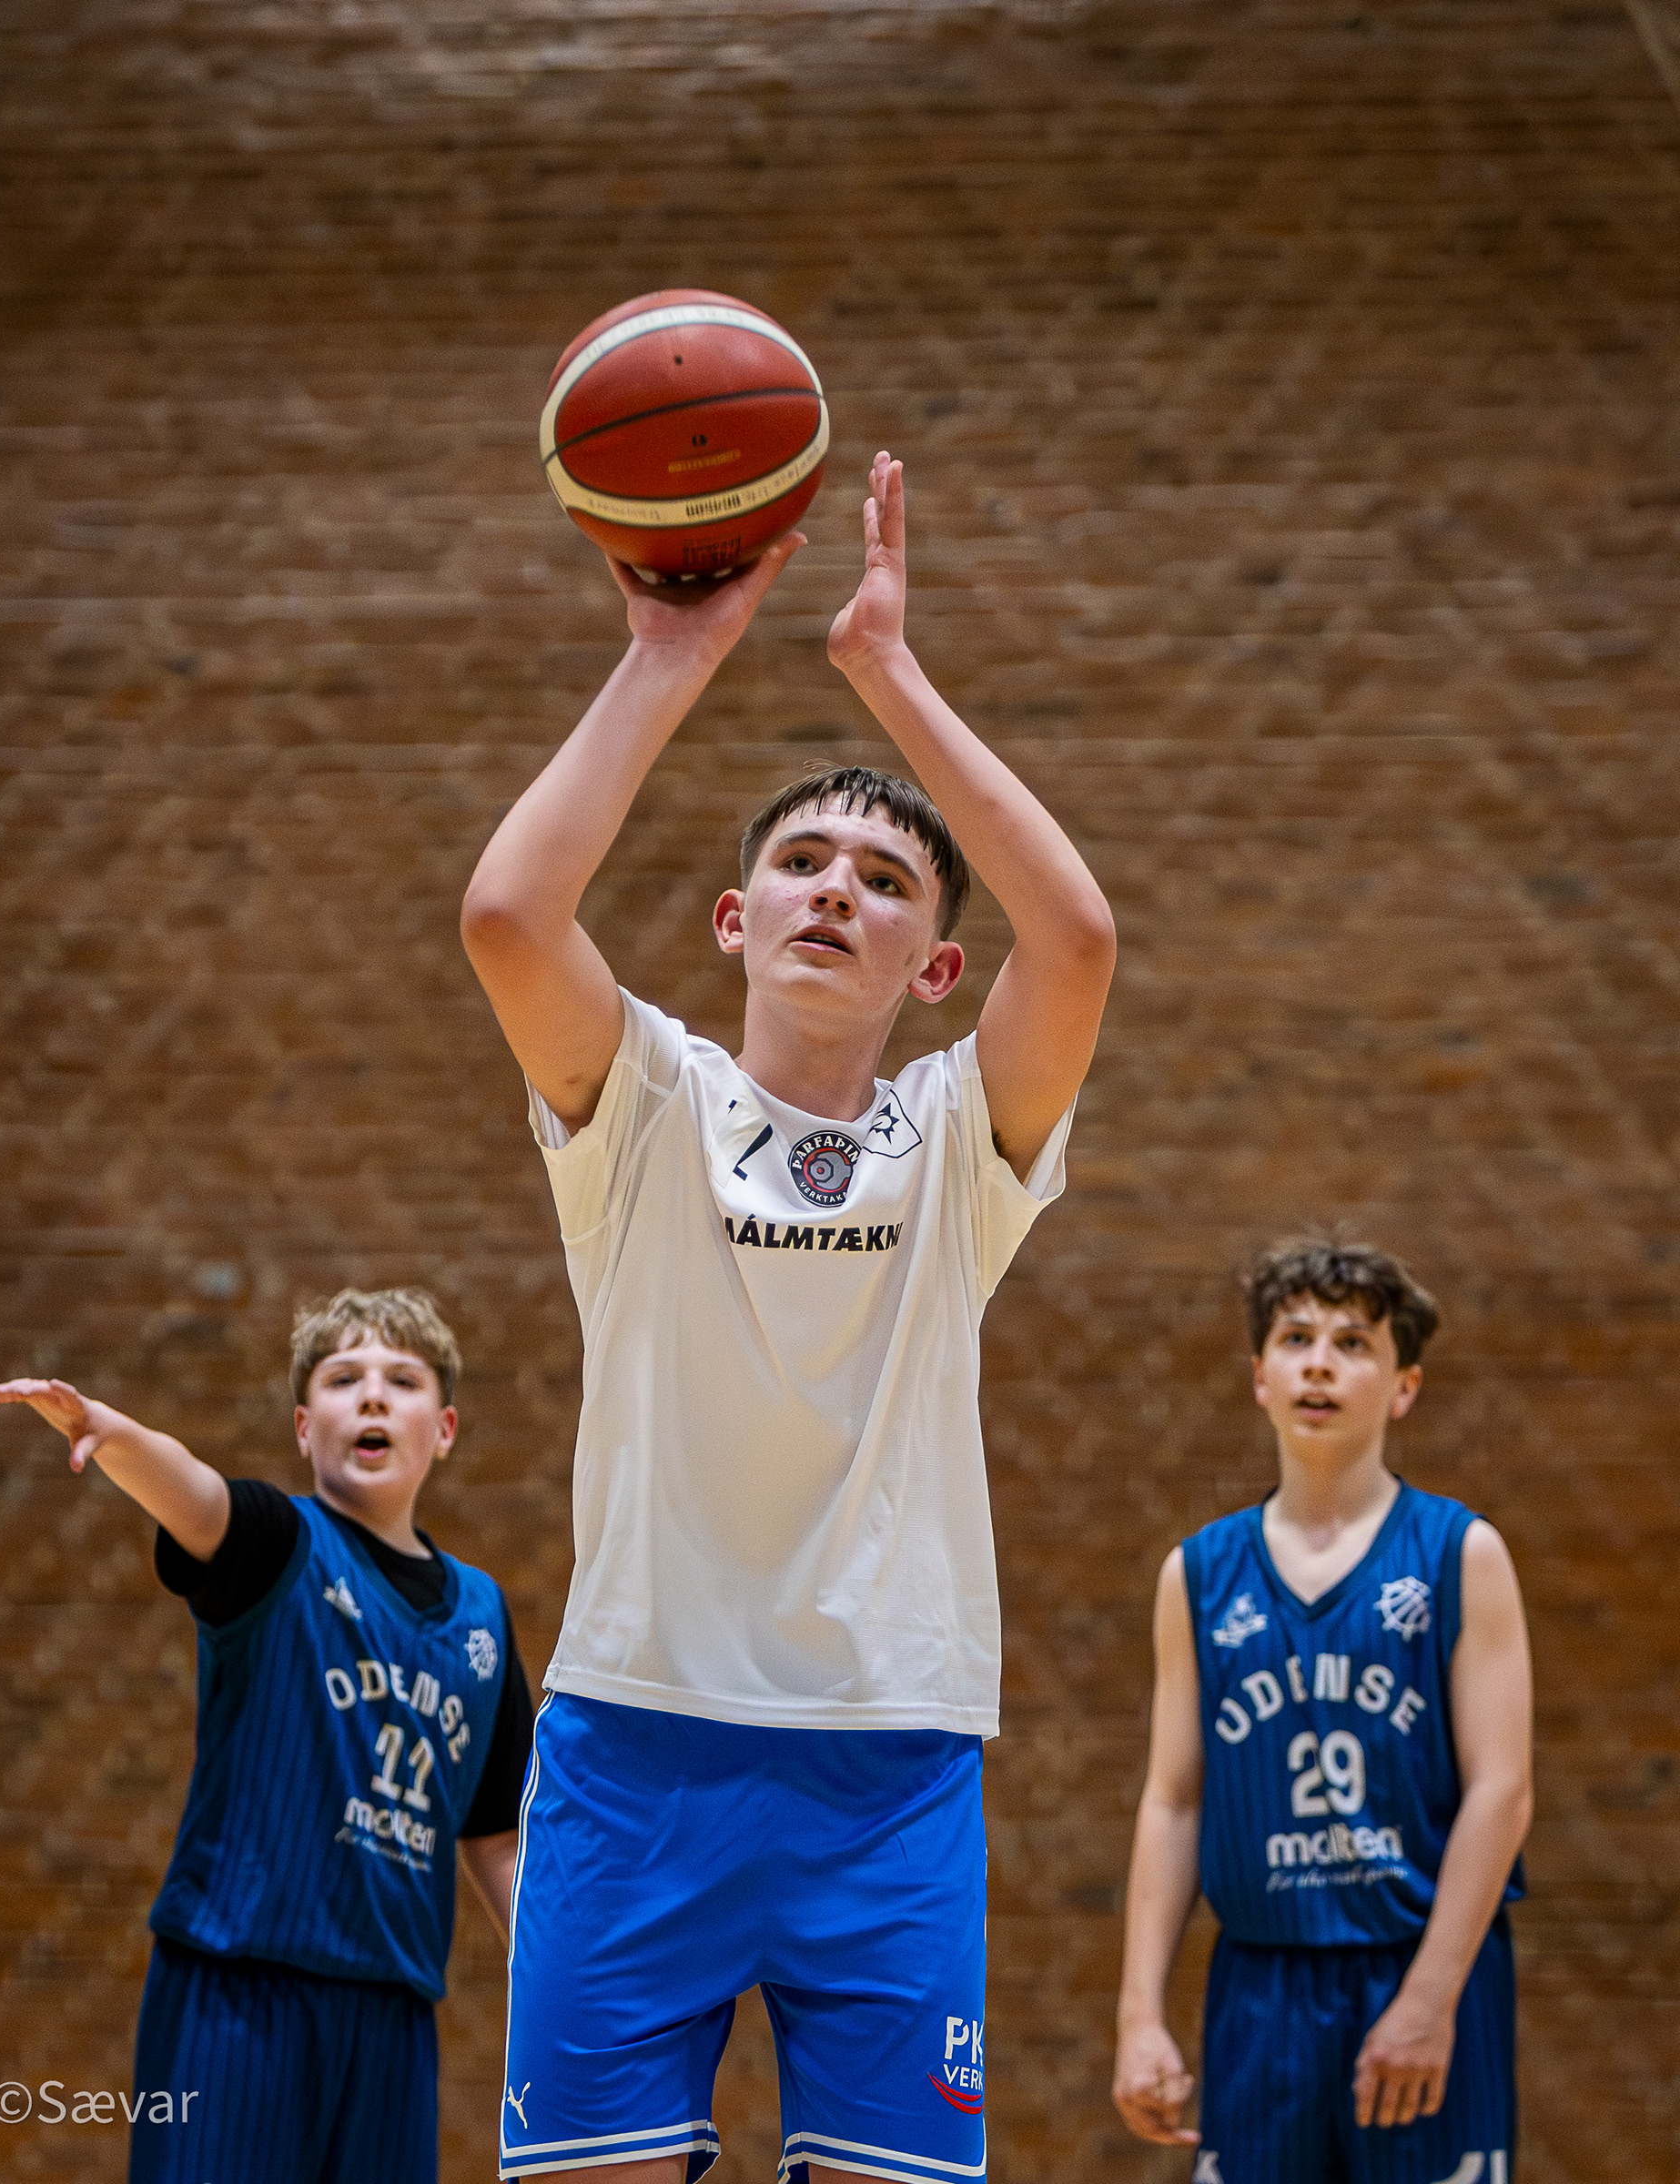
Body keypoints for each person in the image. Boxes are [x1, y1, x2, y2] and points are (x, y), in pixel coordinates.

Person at [460, 450, 1116, 2184]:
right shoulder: (648, 1100)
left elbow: (1079, 936)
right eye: (805, 862)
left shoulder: (957, 1139)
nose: (839, 887)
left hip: (887, 1762)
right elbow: (509, 915)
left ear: (935, 969)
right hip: (634, 1742)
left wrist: (886, 672)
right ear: (735, 921)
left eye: (887, 881)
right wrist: (669, 656)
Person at [0, 1286, 535, 2184]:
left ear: (443, 1430)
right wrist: (115, 1437)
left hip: (394, 2012)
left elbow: (495, 1839)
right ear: (303, 1428)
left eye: (402, 1380)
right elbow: (198, 1496)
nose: (371, 1395)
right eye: (343, 1379)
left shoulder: (483, 1615)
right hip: (236, 1985)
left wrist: (556, 1974)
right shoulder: (279, 1545)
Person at [1112, 1239, 1533, 2184]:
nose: (1319, 1364)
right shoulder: (1199, 1575)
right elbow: (1174, 1802)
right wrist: (1140, 2015)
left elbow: (1502, 1792)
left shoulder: (1460, 1554)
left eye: (1352, 1344)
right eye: (1296, 1339)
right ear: (1260, 1377)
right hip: (1261, 1983)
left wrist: (1430, 1997)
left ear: (1404, 1386)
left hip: (1418, 1966)